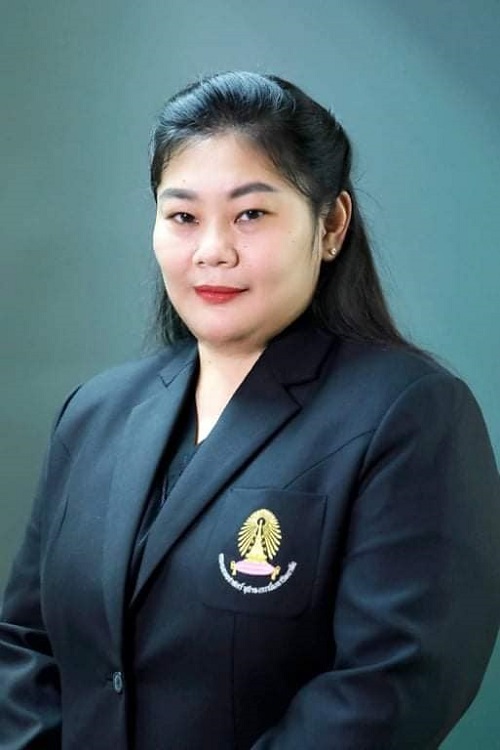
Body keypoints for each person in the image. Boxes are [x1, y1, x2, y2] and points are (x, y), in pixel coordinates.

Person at [0, 71, 499, 750]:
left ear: (331, 224)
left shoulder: (411, 415)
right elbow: (24, 642)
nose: (213, 251)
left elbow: (388, 687)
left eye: (251, 214)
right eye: (183, 217)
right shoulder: (95, 412)